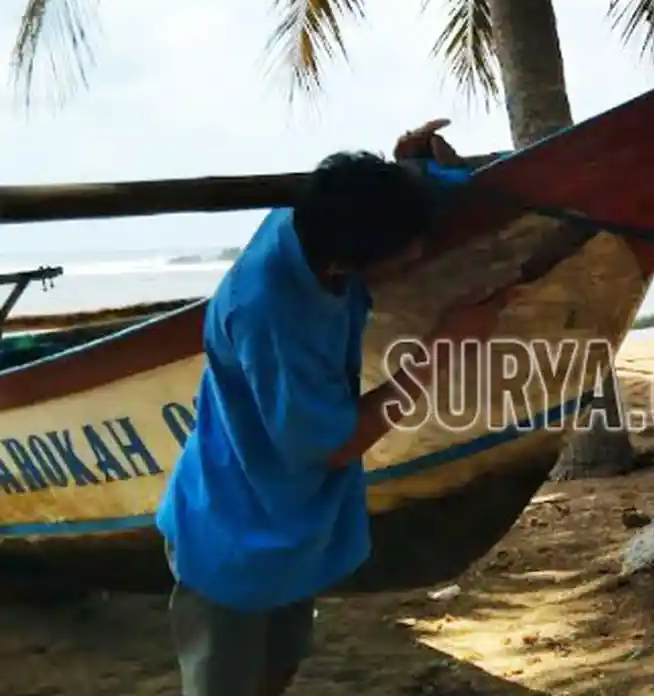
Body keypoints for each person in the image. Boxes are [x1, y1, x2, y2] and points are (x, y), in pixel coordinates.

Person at [156, 122, 483, 696]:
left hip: (293, 520)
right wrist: (443, 351)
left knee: (277, 672)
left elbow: (394, 208)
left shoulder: (322, 223)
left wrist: (415, 169)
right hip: (234, 532)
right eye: (408, 254)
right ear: (350, 265)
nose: (421, 256)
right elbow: (333, 445)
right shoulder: (269, 311)